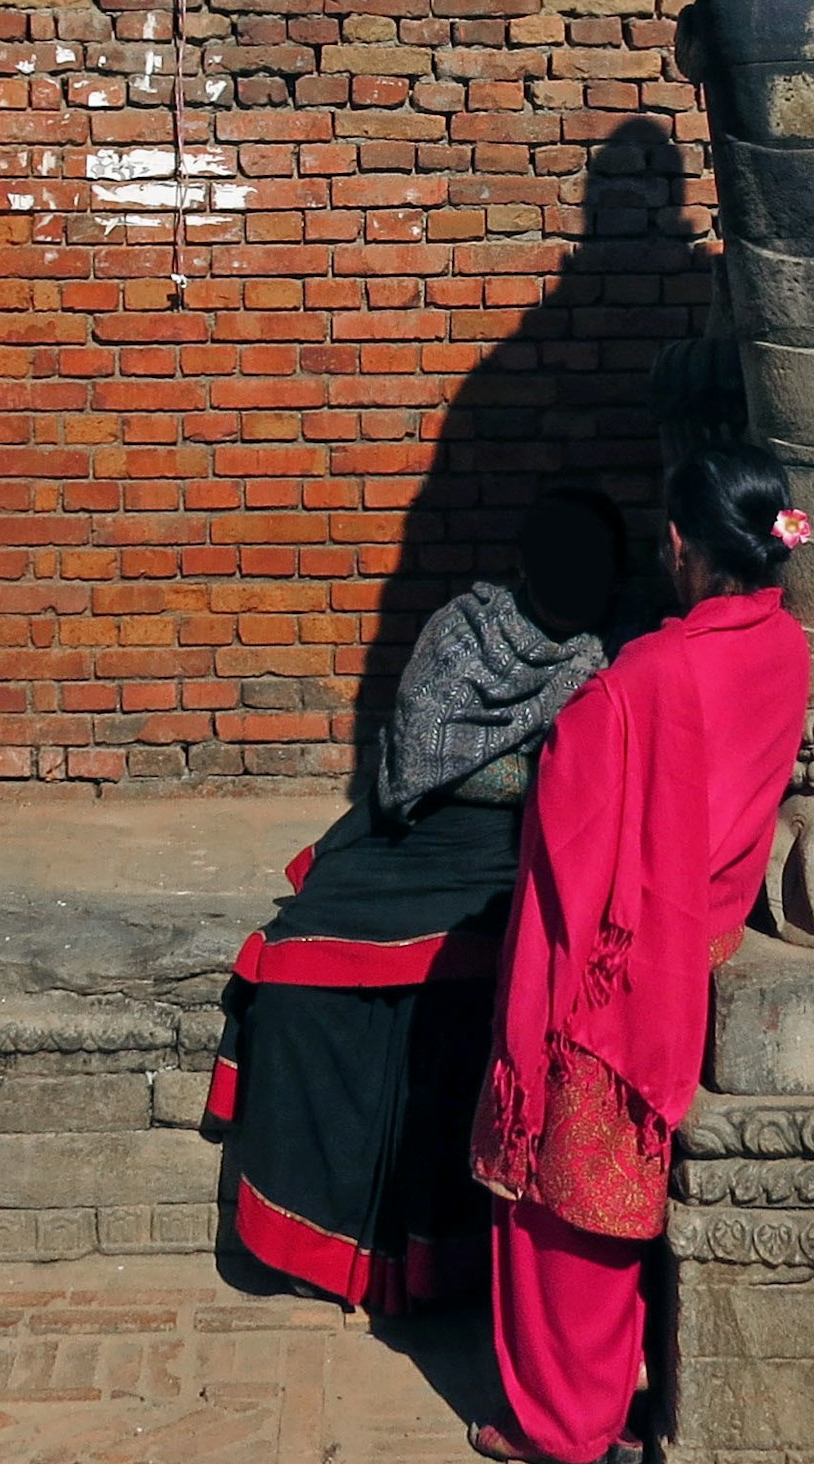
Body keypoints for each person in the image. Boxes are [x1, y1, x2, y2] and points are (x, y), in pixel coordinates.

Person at [467, 441, 814, 1464]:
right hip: (693, 940)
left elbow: (574, 827)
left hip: (613, 965)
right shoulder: (785, 647)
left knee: (557, 1202)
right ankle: (609, 1403)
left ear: (678, 546)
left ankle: (563, 1423)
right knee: (612, 1196)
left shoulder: (648, 677)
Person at [206, 487, 629, 1313]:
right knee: (296, 975)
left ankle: (437, 1265)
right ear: (523, 566)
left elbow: (599, 770)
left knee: (460, 1006)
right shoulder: (462, 631)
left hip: (521, 855)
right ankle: (319, 1245)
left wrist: (532, 779)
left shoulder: (607, 647)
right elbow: (415, 769)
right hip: (413, 839)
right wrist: (535, 764)